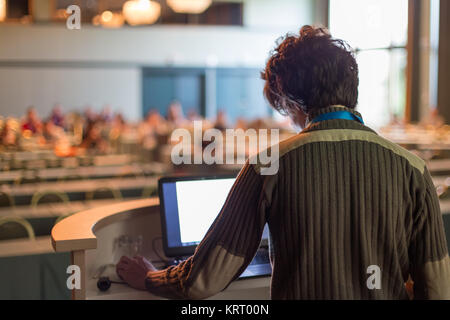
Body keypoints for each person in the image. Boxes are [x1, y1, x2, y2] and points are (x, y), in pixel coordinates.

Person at [116, 26, 450, 299]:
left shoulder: (268, 166)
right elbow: (437, 287)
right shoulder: (413, 169)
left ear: (289, 99)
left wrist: (151, 277)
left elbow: (205, 279)